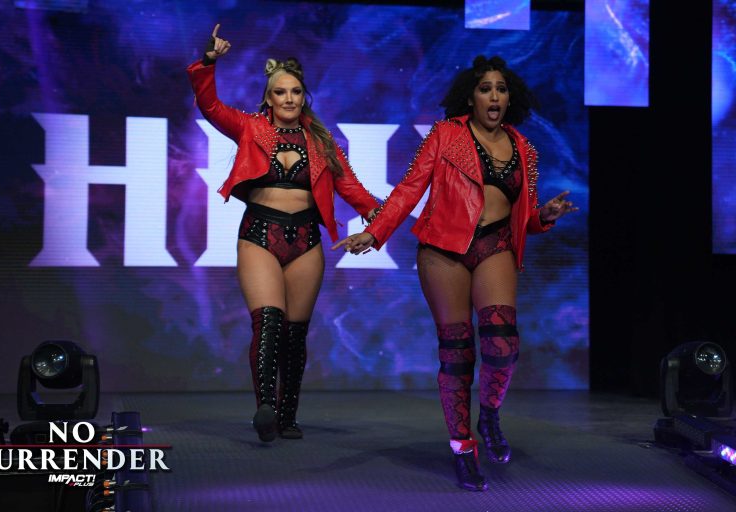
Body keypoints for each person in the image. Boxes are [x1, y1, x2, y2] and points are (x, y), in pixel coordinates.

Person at [332, 55, 577, 491]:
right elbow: (409, 189)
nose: (494, 96)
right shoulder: (445, 135)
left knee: (503, 345)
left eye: (501, 89)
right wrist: (374, 231)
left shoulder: (525, 148)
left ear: (510, 98)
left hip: (495, 245)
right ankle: (463, 448)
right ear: (471, 97)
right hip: (443, 249)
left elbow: (523, 219)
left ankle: (490, 415)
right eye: (485, 89)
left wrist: (545, 216)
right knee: (458, 352)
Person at [187, 24, 380, 443]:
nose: (289, 99)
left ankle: (288, 415)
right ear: (268, 98)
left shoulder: (322, 141)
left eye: (295, 92)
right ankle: (266, 410)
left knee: (295, 334)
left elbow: (352, 188)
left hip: (306, 239)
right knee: (268, 323)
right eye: (280, 92)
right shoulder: (249, 127)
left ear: (303, 96)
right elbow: (210, 106)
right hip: (260, 232)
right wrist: (208, 63)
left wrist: (382, 219)